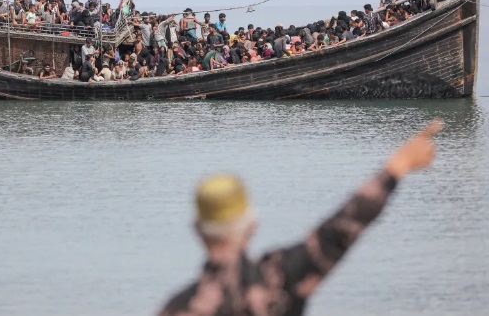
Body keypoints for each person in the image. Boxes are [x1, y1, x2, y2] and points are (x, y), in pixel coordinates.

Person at [158, 120, 444, 316]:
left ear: (198, 231)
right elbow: (339, 231)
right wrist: (397, 166)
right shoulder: (277, 279)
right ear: (252, 225)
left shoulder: (177, 308)